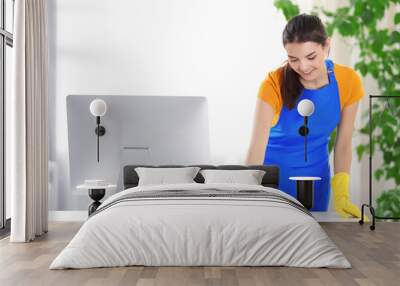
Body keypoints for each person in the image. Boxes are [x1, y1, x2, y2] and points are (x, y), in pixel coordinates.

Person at [246, 13, 368, 220]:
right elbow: (256, 148)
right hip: (271, 187)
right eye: (293, 59)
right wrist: (247, 194)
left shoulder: (349, 81)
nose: (303, 67)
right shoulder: (273, 84)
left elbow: (344, 142)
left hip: (316, 183)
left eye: (311, 57)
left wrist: (341, 193)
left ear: (326, 46)